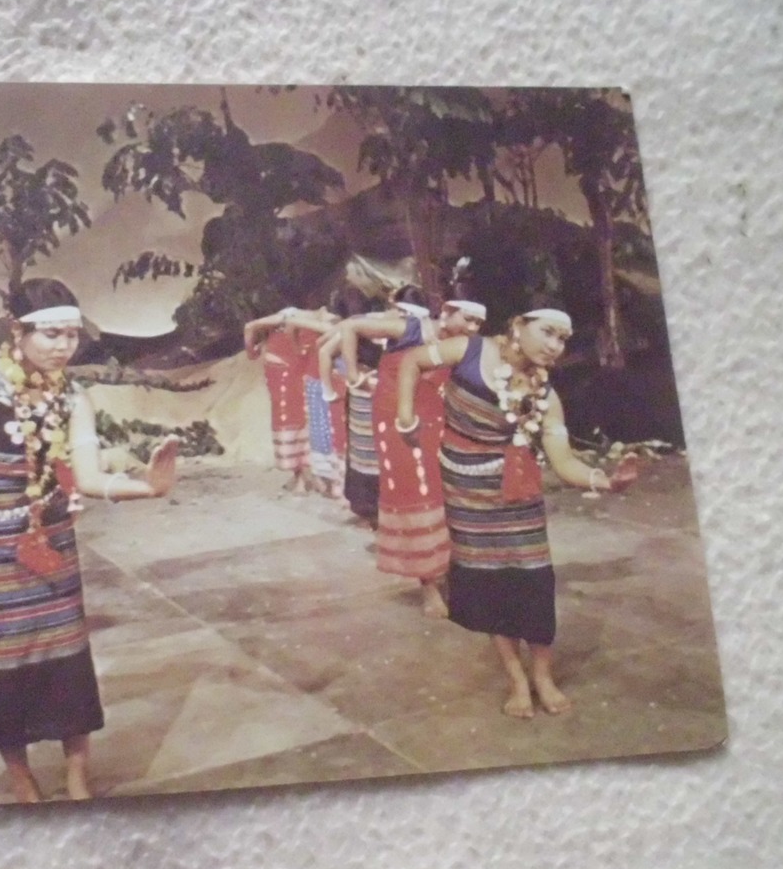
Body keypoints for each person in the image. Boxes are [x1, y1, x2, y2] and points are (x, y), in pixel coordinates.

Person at [0, 279, 178, 803]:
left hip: (49, 541)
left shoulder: (71, 395)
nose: (64, 346)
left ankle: (76, 775)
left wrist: (145, 488)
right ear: (17, 332)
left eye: (71, 335)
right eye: (51, 335)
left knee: (63, 654)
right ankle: (20, 775)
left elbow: (87, 478)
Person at [395, 308, 638, 716]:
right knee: (490, 586)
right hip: (466, 491)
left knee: (533, 583)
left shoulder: (545, 397)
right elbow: (412, 360)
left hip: (519, 497)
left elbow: (563, 462)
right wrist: (406, 416)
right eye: (547, 333)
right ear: (518, 325)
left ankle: (543, 675)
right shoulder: (469, 352)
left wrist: (604, 480)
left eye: (562, 339)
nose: (554, 346)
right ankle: (516, 680)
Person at [319, 297, 487, 615]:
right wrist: (353, 374)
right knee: (415, 495)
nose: (473, 327)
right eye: (469, 319)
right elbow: (350, 326)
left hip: (436, 421)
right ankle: (428, 587)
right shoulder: (409, 329)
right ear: (448, 313)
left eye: (478, 323)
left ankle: (451, 573)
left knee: (446, 495)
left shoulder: (461, 345)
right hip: (397, 423)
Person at [242, 306, 338, 494]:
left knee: (289, 419)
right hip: (302, 370)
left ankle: (302, 477)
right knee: (307, 417)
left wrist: (250, 352)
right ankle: (311, 475)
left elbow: (249, 327)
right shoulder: (323, 318)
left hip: (282, 371)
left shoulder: (284, 316)